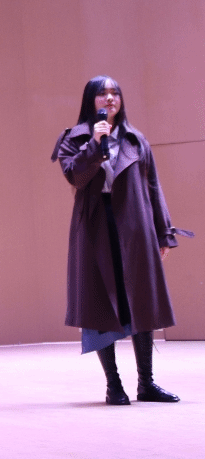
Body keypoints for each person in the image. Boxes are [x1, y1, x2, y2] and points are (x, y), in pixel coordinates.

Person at [52, 76, 192, 406]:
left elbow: (153, 187)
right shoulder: (74, 138)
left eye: (115, 93)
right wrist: (94, 145)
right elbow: (75, 175)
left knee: (141, 301)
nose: (110, 98)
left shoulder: (135, 139)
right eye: (103, 93)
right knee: (101, 305)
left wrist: (164, 232)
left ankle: (147, 384)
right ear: (90, 100)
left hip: (135, 227)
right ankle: (113, 385)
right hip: (95, 228)